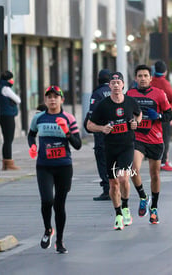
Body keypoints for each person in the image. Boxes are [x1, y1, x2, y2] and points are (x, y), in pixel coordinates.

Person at [27, 85, 82, 253]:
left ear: (61, 100)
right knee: (47, 200)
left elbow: (78, 144)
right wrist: (33, 146)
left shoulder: (69, 118)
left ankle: (59, 240)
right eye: (49, 96)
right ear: (45, 100)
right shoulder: (39, 118)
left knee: (59, 204)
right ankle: (47, 229)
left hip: (64, 166)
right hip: (44, 166)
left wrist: (67, 132)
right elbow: (31, 134)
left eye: (55, 96)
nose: (52, 99)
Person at [87, 72, 142, 230]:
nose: (116, 85)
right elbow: (90, 125)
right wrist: (102, 128)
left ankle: (125, 207)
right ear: (109, 86)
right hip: (109, 148)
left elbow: (139, 115)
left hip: (127, 146)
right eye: (113, 83)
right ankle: (118, 214)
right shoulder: (103, 105)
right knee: (113, 184)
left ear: (123, 85)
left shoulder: (130, 102)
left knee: (124, 178)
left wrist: (135, 123)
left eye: (119, 82)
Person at [127, 65, 172, 224]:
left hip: (155, 139)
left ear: (150, 78)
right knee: (133, 170)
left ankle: (154, 207)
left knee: (155, 175)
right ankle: (142, 196)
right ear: (135, 78)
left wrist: (158, 116)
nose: (143, 78)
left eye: (145, 75)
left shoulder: (159, 94)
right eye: (139, 76)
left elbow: (169, 114)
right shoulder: (130, 94)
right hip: (137, 138)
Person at [83, 69, 112, 201]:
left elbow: (92, 114)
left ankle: (107, 189)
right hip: (116, 133)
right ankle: (117, 187)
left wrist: (87, 126)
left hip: (101, 133)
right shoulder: (115, 91)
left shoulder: (97, 93)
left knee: (102, 161)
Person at [151, 60, 172, 172]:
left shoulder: (151, 81)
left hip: (153, 114)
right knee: (165, 139)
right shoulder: (164, 82)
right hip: (164, 115)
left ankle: (159, 161)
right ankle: (163, 162)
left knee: (156, 139)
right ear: (165, 71)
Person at [0, 70, 21, 170]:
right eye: (11, 78)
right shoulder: (6, 89)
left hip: (2, 115)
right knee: (8, 139)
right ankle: (9, 162)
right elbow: (18, 100)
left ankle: (6, 163)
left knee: (6, 139)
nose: (12, 80)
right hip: (8, 115)